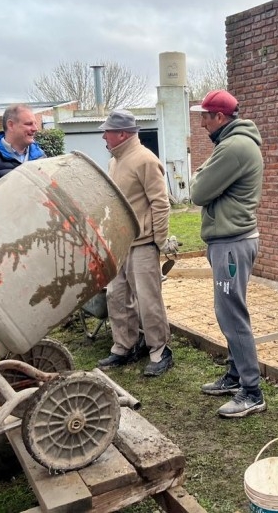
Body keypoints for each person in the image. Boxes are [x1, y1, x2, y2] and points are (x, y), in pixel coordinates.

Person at [189, 90, 265, 418]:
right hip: (229, 240)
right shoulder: (232, 143)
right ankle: (235, 376)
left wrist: (201, 178)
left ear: (220, 117)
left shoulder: (234, 147)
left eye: (205, 116)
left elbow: (198, 191)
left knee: (231, 314)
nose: (202, 122)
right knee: (230, 311)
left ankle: (252, 391)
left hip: (232, 243)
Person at [96, 109, 177, 377]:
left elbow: (160, 202)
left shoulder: (145, 160)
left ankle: (159, 350)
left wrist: (161, 240)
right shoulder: (114, 162)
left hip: (142, 244)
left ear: (122, 133)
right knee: (116, 295)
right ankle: (124, 346)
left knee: (147, 299)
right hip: (120, 244)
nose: (104, 136)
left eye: (107, 131)